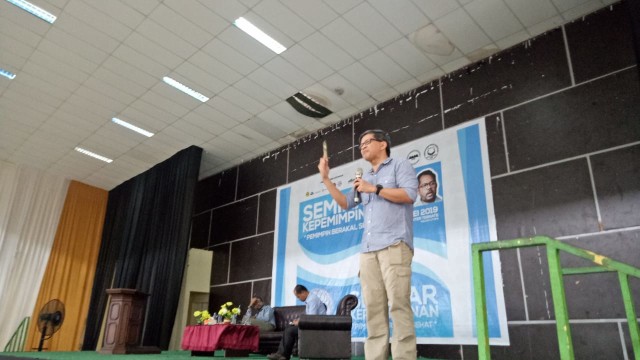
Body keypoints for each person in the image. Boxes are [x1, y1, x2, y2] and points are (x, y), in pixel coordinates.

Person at [317, 129, 418, 360]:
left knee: (399, 306)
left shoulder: (399, 165)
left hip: (394, 245)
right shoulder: (364, 178)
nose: (362, 146)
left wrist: (375, 189)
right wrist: (325, 178)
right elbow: (345, 203)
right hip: (368, 250)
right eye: (360, 144)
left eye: (367, 142)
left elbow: (410, 195)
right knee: (374, 309)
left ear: (383, 144)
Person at [267, 284, 326, 360]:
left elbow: (311, 318)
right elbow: (308, 316)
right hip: (312, 324)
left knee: (290, 330)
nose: (299, 299)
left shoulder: (312, 300)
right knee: (289, 328)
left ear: (303, 292)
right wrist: (299, 320)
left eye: (298, 296)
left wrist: (300, 323)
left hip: (316, 326)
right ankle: (281, 354)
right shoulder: (310, 300)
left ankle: (284, 355)